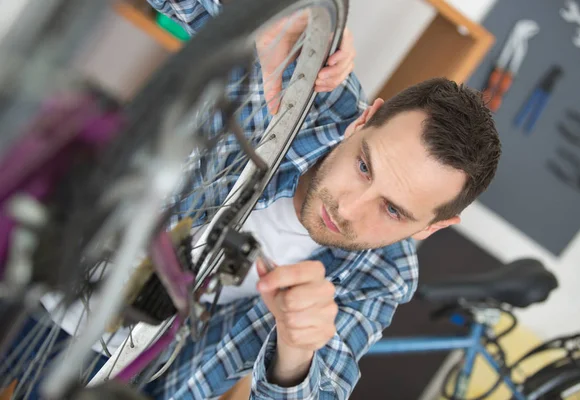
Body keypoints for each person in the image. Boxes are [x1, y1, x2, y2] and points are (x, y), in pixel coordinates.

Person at [143, 1, 501, 400]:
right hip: (69, 251)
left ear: (432, 228)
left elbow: (324, 388)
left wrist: (296, 356)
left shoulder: (384, 273)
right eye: (364, 167)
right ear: (364, 119)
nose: (346, 209)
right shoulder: (307, 83)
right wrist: (264, 15)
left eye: (393, 210)